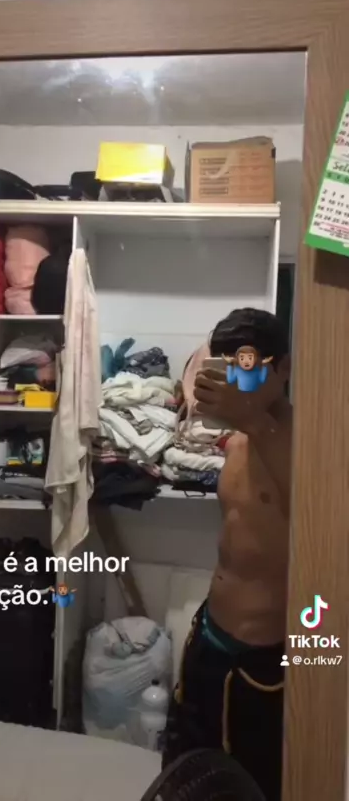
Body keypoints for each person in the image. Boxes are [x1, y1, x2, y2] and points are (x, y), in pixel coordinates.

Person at [161, 308, 292, 801]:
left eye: (249, 368)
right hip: (209, 637)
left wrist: (254, 420)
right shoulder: (236, 440)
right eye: (227, 368)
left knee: (255, 784)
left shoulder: (308, 442)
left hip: (264, 660)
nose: (237, 382)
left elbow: (319, 512)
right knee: (188, 771)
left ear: (284, 369)